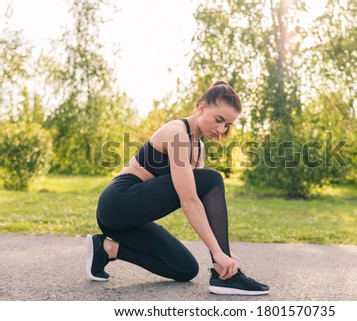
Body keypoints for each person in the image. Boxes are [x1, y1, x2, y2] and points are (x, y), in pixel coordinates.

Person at [86, 80, 269, 295]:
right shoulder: (177, 134)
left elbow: (198, 202)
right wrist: (218, 253)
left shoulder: (198, 148)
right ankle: (224, 276)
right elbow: (188, 200)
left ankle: (106, 249)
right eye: (218, 120)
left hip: (127, 222)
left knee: (185, 269)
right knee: (212, 179)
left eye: (227, 125)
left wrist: (219, 252)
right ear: (202, 107)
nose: (221, 129)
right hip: (118, 202)